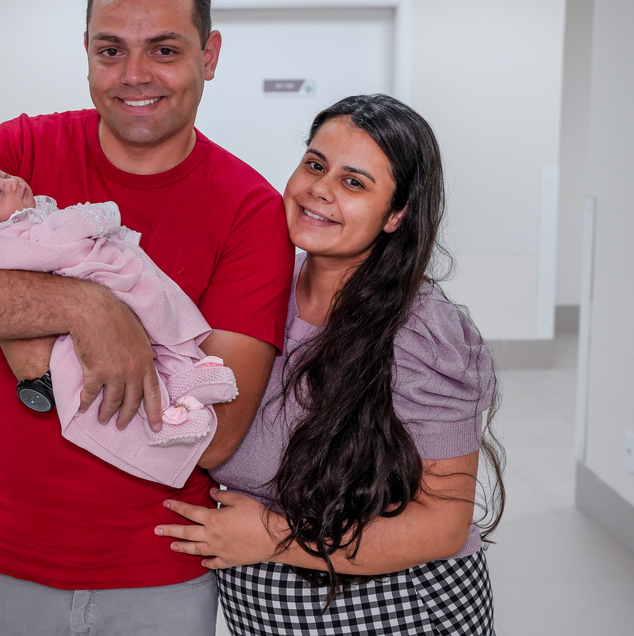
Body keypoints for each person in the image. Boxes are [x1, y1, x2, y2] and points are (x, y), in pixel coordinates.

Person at [0, 0, 295, 635]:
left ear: (210, 55)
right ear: (87, 54)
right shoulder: (16, 154)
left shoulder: (250, 210)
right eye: (111, 51)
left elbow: (215, 435)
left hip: (158, 572)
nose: (134, 75)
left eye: (164, 50)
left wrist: (31, 353)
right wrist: (85, 308)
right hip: (1, 555)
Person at [156, 94, 504, 635]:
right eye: (315, 165)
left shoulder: (420, 331)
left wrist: (273, 537)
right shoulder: (253, 286)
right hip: (267, 607)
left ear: (396, 215)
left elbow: (443, 525)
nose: (320, 189)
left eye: (354, 182)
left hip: (397, 606)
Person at [0, 158, 241, 488]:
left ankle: (183, 388)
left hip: (103, 288)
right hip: (114, 285)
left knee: (151, 343)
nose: (12, 183)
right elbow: (66, 233)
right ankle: (168, 411)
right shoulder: (12, 238)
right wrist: (101, 214)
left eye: (4, 175)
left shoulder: (12, 232)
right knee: (149, 345)